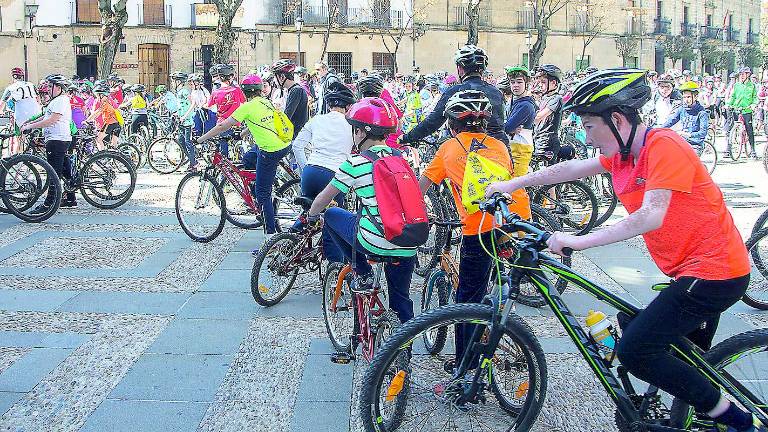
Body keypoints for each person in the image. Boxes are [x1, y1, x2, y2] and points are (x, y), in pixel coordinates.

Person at [486, 68, 760, 432]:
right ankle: (689, 415)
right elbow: (567, 170)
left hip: (715, 272)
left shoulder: (664, 146)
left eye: (588, 126)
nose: (586, 136)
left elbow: (651, 215)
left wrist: (578, 241)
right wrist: (512, 183)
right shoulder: (624, 154)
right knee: (639, 330)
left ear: (616, 119)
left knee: (636, 350)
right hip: (687, 270)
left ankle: (741, 422)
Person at [419, 90, 530, 368]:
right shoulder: (499, 146)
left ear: (451, 124)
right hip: (513, 223)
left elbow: (421, 188)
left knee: (467, 299)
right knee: (496, 281)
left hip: (477, 229)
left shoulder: (448, 148)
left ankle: (464, 365)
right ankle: (501, 317)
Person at [305, 97, 417, 324]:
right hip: (407, 240)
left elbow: (323, 199)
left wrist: (312, 215)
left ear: (361, 133)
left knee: (332, 215)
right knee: (401, 299)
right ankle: (402, 348)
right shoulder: (402, 159)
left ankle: (363, 271)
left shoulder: (355, 163)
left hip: (373, 240)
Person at [196, 74, 291, 235]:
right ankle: (258, 187)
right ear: (261, 90)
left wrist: (201, 138)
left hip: (270, 150)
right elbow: (256, 122)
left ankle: (271, 237)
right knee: (248, 158)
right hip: (283, 144)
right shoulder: (265, 102)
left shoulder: (246, 107)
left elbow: (222, 126)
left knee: (263, 194)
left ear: (245, 93)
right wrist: (241, 135)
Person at [291, 82, 357, 261]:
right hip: (333, 176)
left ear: (328, 104)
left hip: (311, 173)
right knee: (332, 221)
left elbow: (297, 146)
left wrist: (305, 168)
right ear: (349, 106)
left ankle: (288, 244)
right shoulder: (351, 126)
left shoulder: (316, 120)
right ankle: (334, 272)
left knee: (309, 211)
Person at [399, 45, 508, 146]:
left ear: (460, 68)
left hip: (470, 149)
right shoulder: (496, 92)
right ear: (482, 69)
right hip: (500, 149)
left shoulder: (454, 91)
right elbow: (500, 124)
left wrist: (406, 138)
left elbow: (432, 122)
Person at [20, 74, 76, 211]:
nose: (48, 89)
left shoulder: (60, 101)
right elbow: (45, 116)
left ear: (59, 88)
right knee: (64, 171)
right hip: (58, 139)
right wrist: (28, 123)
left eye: (51, 86)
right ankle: (70, 198)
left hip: (57, 140)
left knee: (53, 173)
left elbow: (51, 120)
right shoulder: (57, 100)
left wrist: (29, 127)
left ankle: (48, 204)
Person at [207, 64, 246, 159]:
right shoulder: (237, 90)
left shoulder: (216, 91)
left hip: (223, 123)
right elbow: (244, 102)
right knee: (238, 145)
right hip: (236, 122)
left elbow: (209, 106)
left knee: (223, 149)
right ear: (230, 77)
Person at [504, 66, 537, 176]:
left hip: (520, 151)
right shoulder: (514, 101)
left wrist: (509, 128)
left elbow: (507, 127)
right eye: (512, 82)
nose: (515, 85)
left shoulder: (525, 105)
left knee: (516, 189)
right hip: (513, 148)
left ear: (526, 84)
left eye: (519, 82)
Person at [662, 81, 709, 154]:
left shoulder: (702, 113)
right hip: (683, 142)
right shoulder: (682, 109)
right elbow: (671, 121)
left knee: (689, 161)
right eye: (684, 97)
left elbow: (703, 132)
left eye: (688, 97)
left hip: (695, 144)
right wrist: (659, 129)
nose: (686, 100)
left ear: (696, 97)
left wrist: (689, 134)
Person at [271, 59, 309, 145]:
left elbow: (286, 116)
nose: (274, 80)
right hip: (295, 137)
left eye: (275, 77)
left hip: (297, 140)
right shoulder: (292, 90)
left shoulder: (296, 91)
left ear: (282, 77)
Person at [532, 64, 564, 162]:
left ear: (554, 83)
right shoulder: (544, 97)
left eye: (543, 82)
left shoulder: (556, 99)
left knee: (545, 174)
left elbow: (538, 117)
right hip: (537, 139)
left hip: (547, 142)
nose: (540, 85)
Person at [727, 66, 758, 158]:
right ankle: (729, 149)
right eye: (740, 74)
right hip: (737, 109)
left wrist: (753, 105)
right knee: (731, 127)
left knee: (749, 129)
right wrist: (728, 104)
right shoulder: (736, 85)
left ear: (748, 75)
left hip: (747, 110)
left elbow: (755, 97)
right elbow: (732, 97)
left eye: (743, 74)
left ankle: (753, 150)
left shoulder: (752, 86)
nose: (742, 76)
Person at [2, 67, 41, 137]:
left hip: (21, 117)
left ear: (13, 76)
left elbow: (2, 103)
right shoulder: (31, 85)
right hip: (37, 114)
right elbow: (38, 99)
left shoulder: (10, 88)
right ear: (22, 76)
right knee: (37, 136)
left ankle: (19, 145)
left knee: (19, 136)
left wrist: (1, 112)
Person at [86, 83, 121, 151]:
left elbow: (97, 112)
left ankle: (103, 157)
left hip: (109, 124)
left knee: (98, 139)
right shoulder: (109, 100)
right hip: (117, 124)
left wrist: (87, 120)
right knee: (113, 148)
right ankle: (113, 159)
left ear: (102, 95)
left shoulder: (105, 103)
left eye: (98, 95)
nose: (97, 98)